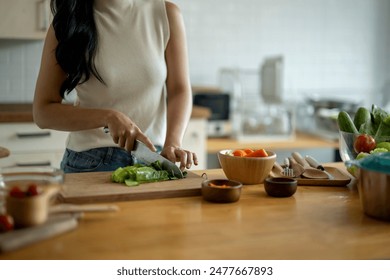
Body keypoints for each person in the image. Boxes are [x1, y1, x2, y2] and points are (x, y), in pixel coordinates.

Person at [33, 0, 198, 173]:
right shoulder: (68, 22)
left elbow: (179, 90)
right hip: (89, 162)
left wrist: (172, 143)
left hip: (153, 160)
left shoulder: (166, 13)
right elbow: (42, 112)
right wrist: (108, 117)